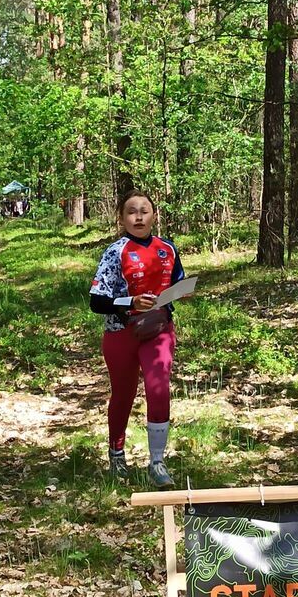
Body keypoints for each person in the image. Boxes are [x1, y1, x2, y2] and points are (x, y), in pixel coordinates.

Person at [89, 189, 184, 489]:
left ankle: (157, 462)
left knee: (159, 389)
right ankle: (117, 455)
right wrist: (129, 302)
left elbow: (178, 282)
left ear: (154, 215)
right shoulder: (114, 252)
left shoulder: (167, 249)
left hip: (158, 331)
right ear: (121, 218)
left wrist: (182, 291)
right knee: (124, 394)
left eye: (145, 210)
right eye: (132, 211)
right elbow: (96, 301)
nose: (139, 216)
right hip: (121, 333)